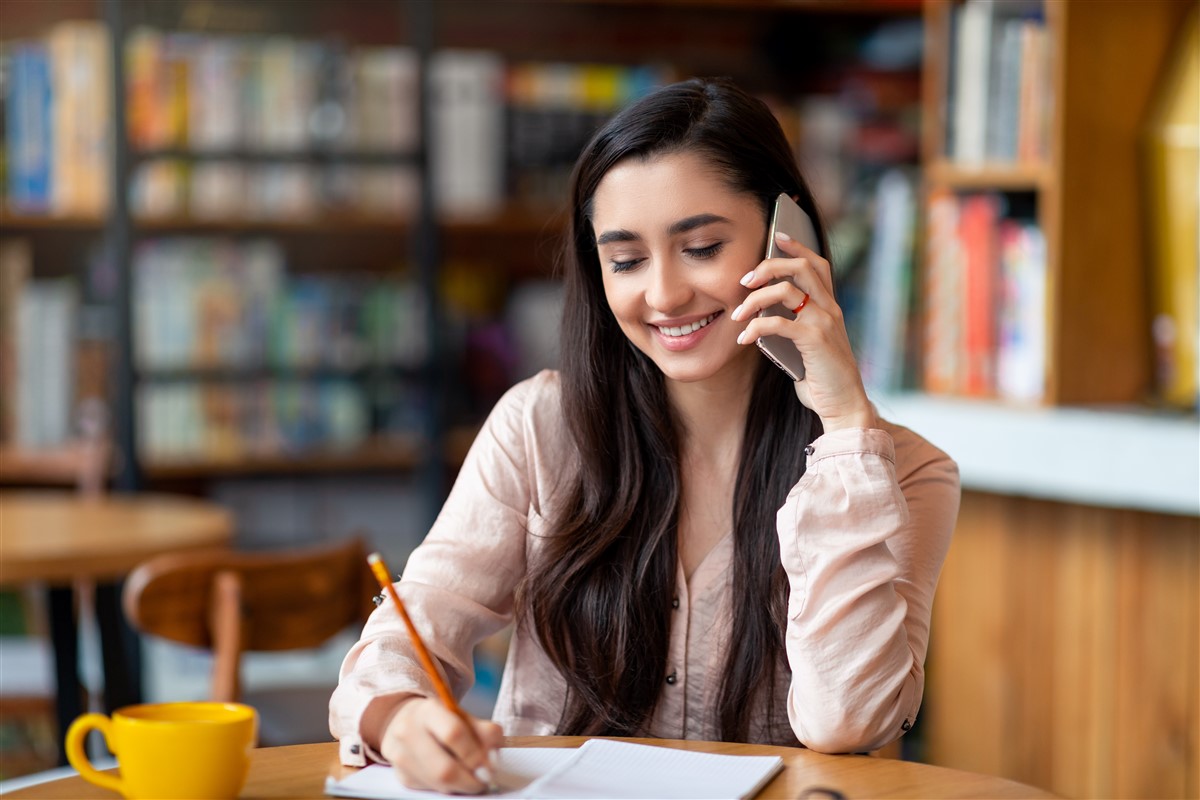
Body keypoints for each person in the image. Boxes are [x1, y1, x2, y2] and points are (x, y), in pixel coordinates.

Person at [329, 77, 960, 794]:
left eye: (701, 247)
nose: (662, 295)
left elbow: (850, 721)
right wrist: (402, 721)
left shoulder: (902, 474)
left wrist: (845, 426)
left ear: (792, 236)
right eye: (626, 260)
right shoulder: (539, 428)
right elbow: (398, 649)